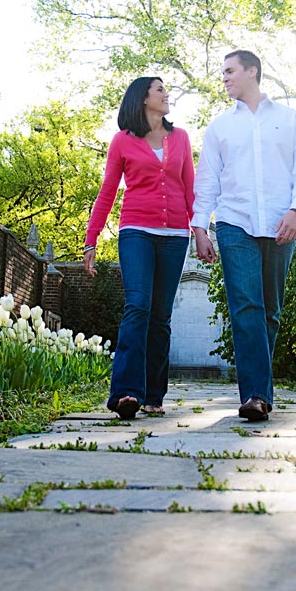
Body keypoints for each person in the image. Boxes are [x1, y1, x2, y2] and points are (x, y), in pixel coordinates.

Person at [192, 50, 296, 422]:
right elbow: (207, 179)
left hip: (282, 224)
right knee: (246, 306)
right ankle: (256, 396)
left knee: (270, 311)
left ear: (252, 71)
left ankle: (259, 388)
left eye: (230, 71)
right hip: (234, 223)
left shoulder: (290, 120)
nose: (225, 78)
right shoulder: (219, 127)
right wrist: (200, 227)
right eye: (223, 72)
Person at [84, 76, 195, 420]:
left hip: (176, 235)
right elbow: (107, 192)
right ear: (143, 98)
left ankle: (152, 394)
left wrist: (201, 231)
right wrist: (91, 239)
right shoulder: (122, 141)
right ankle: (126, 392)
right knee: (138, 307)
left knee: (161, 316)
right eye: (160, 89)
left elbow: (190, 188)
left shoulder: (180, 138)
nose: (166, 95)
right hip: (136, 232)